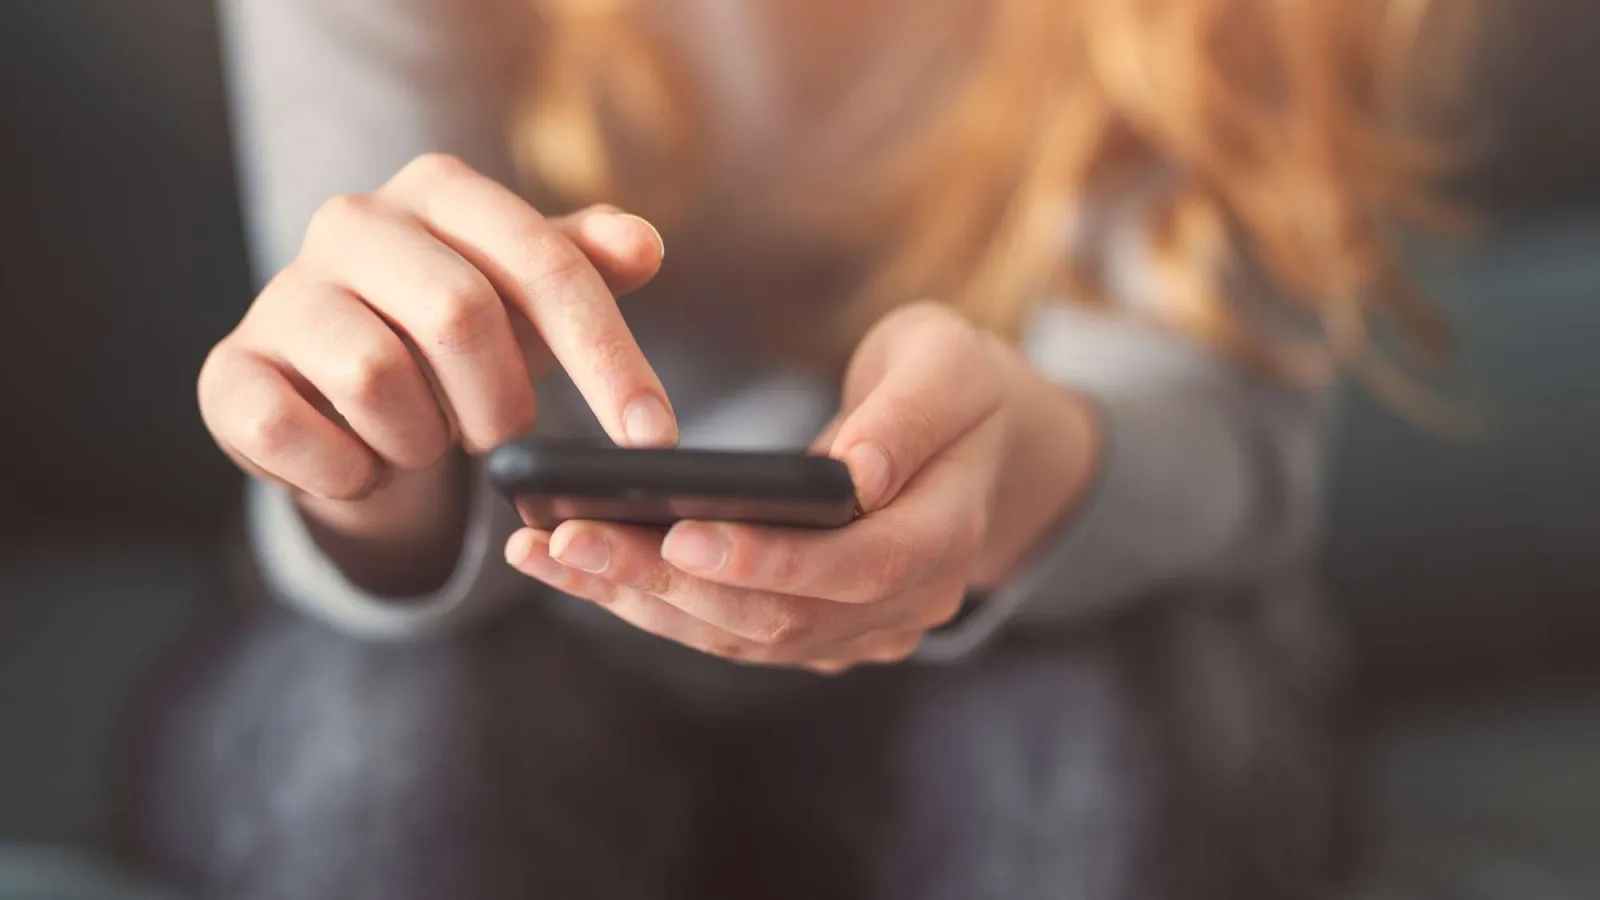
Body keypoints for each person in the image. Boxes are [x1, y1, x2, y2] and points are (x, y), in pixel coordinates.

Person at [133, 0, 1468, 898]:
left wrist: (1021, 474)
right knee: (389, 752)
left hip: (1055, 614)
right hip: (512, 632)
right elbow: (384, 433)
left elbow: (1225, 433)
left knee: (1087, 748)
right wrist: (378, 465)